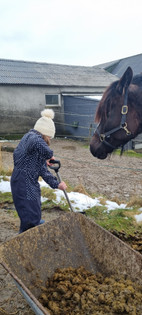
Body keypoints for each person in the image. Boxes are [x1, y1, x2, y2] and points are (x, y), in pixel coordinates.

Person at [10, 109, 67, 233]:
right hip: (22, 182)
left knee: (35, 207)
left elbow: (44, 172)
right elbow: (37, 142)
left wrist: (57, 184)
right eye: (48, 138)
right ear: (44, 134)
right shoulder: (31, 137)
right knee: (28, 214)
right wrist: (50, 155)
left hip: (30, 182)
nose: (48, 141)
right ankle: (25, 236)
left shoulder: (36, 150)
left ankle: (35, 222)